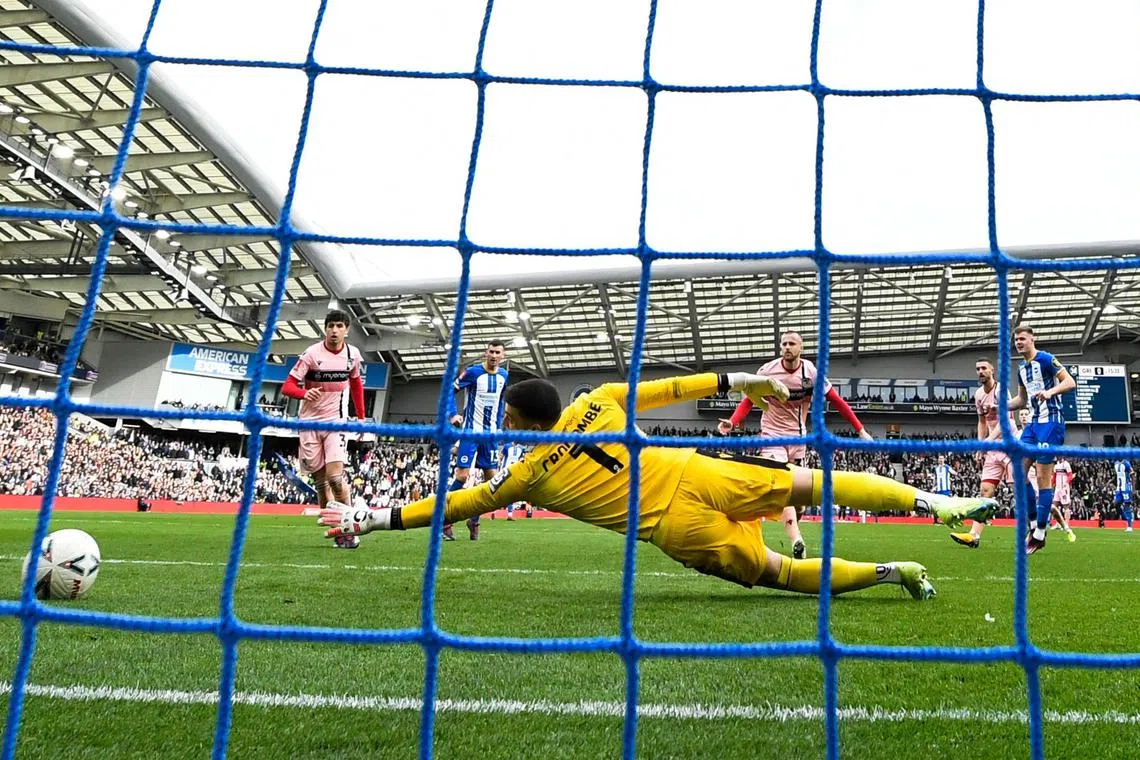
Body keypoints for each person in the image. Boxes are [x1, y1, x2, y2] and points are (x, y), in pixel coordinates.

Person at [320, 371, 997, 600]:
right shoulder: (600, 399)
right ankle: (938, 504)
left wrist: (369, 519)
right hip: (699, 470)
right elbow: (670, 388)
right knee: (816, 484)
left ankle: (893, 569)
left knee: (786, 577)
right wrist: (738, 383)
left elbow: (455, 503)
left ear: (521, 420)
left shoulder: (527, 474)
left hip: (680, 528)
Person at [716, 331, 873, 560]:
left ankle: (794, 524)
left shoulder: (810, 373)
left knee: (799, 502)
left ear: (801, 347)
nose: (787, 347)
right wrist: (733, 421)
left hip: (799, 440)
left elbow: (838, 401)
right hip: (772, 437)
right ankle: (796, 540)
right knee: (785, 484)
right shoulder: (767, 371)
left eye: (792, 344)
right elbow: (749, 400)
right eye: (784, 344)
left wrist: (860, 430)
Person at [280, 309, 370, 549]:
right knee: (321, 484)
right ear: (325, 328)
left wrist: (361, 418)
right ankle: (337, 532)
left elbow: (356, 385)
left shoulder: (353, 355)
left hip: (336, 421)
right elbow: (286, 387)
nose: (334, 330)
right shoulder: (311, 354)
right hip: (309, 423)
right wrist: (303, 392)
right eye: (331, 326)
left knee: (335, 479)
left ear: (347, 330)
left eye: (340, 326)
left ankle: (350, 529)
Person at [1008, 325, 1076, 554]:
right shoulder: (1021, 368)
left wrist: (1050, 392)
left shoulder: (1047, 359)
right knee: (1017, 469)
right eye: (1016, 340)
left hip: (1052, 421)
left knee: (1042, 476)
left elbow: (1069, 382)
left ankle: (1039, 533)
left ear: (1032, 339)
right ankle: (1034, 522)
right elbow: (1021, 399)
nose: (1019, 343)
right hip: (1034, 423)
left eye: (1022, 339)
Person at [443, 340, 509, 541]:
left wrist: (502, 425)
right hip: (470, 433)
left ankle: (474, 520)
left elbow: (501, 402)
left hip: (490, 436)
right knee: (462, 477)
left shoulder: (504, 376)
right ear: (485, 353)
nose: (494, 355)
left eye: (498, 352)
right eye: (491, 351)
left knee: (492, 481)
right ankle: (445, 520)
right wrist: (453, 415)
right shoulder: (472, 373)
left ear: (503, 356)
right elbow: (449, 391)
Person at [951, 358, 1015, 548]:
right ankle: (974, 535)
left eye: (983, 368)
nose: (980, 371)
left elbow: (1007, 421)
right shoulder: (979, 394)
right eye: (977, 368)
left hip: (1010, 444)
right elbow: (981, 421)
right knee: (985, 491)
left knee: (1019, 491)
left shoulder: (1001, 391)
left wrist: (989, 440)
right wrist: (981, 445)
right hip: (993, 448)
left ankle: (1034, 530)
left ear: (992, 370)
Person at [499, 441, 527, 520]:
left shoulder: (521, 448)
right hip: (504, 471)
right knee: (501, 491)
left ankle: (510, 514)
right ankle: (495, 511)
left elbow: (522, 460)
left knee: (511, 492)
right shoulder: (507, 446)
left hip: (515, 472)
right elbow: (500, 457)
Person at [1050, 458, 1076, 542]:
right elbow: (1054, 476)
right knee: (1054, 506)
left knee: (1066, 506)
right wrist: (1052, 484)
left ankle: (1066, 524)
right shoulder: (1056, 465)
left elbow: (1070, 475)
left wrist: (1066, 483)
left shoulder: (1066, 464)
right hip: (1057, 488)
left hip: (1064, 488)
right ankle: (1058, 524)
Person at [1114, 458, 1134, 532]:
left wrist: (1133, 489)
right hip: (1119, 487)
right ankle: (1127, 518)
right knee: (1116, 504)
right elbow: (1118, 475)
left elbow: (1133, 474)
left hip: (1126, 486)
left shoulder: (1126, 463)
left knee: (1127, 505)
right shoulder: (1115, 462)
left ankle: (1129, 526)